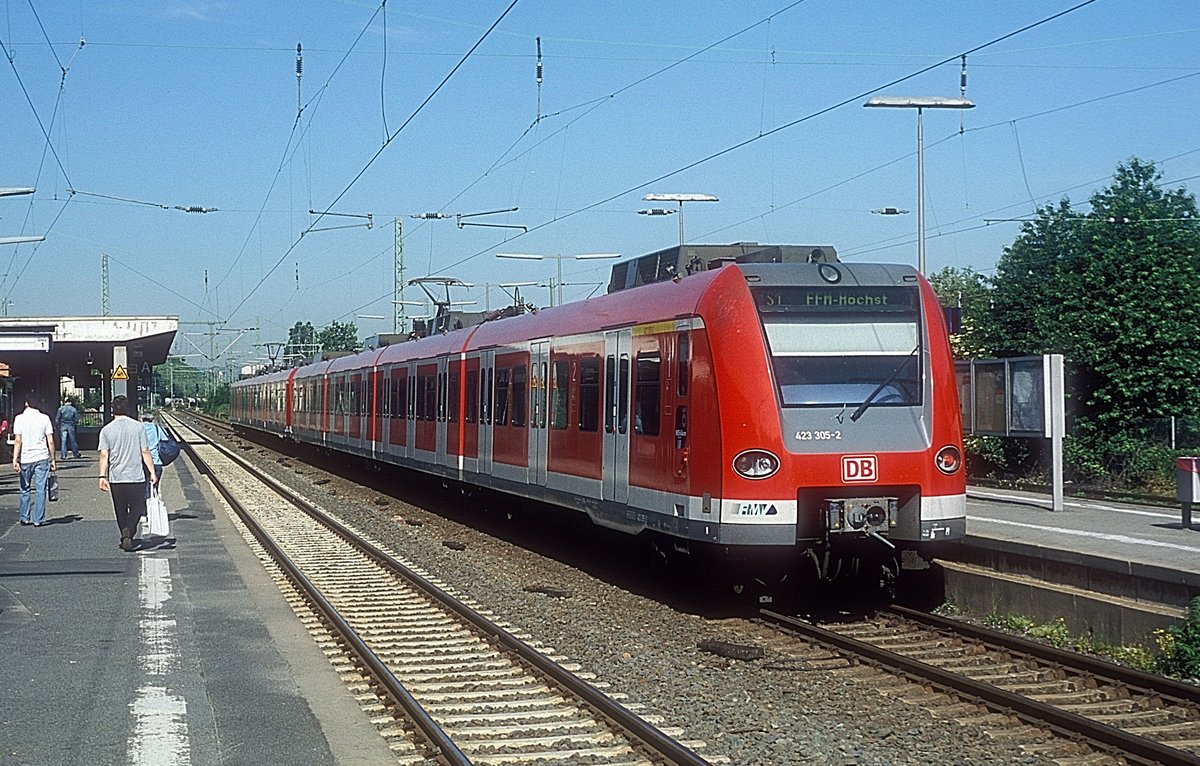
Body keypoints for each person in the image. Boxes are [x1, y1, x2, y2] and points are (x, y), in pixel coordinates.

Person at [98, 395, 157, 552]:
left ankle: (125, 532)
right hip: (136, 476)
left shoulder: (106, 430)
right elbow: (144, 451)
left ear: (112, 410)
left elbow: (104, 455)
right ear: (128, 409)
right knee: (137, 507)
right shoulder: (138, 427)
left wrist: (102, 476)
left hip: (116, 477)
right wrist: (152, 472)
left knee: (120, 509)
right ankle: (129, 530)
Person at [12, 394, 57, 527]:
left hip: (26, 458)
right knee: (40, 488)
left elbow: (18, 440)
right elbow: (50, 441)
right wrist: (53, 459)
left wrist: (15, 459)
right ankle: (38, 519)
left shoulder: (19, 419)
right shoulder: (45, 418)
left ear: (26, 403)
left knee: (25, 488)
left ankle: (24, 517)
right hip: (42, 457)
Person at [141, 411, 166, 498]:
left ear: (142, 419)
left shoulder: (139, 428)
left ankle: (145, 508)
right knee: (154, 487)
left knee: (143, 488)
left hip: (142, 462)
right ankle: (154, 506)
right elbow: (165, 439)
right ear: (152, 420)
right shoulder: (157, 428)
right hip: (156, 462)